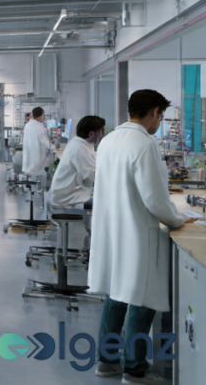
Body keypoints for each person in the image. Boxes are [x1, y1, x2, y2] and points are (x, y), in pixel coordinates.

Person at [88, 90, 194, 383]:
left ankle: (106, 361)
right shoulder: (145, 144)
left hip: (112, 230)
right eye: (161, 116)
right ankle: (135, 369)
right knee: (141, 298)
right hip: (136, 234)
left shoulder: (109, 140)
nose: (159, 122)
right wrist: (178, 219)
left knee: (115, 295)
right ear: (155, 112)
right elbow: (156, 200)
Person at [50, 115, 105, 209]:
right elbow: (92, 175)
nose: (102, 134)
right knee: (105, 200)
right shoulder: (79, 148)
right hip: (65, 197)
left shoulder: (83, 143)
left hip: (70, 190)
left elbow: (94, 158)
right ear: (91, 134)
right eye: (101, 131)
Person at [22, 107, 54, 178]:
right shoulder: (38, 127)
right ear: (41, 116)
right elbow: (46, 142)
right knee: (43, 174)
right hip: (36, 161)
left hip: (29, 160)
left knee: (32, 174)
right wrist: (54, 148)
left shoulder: (27, 125)